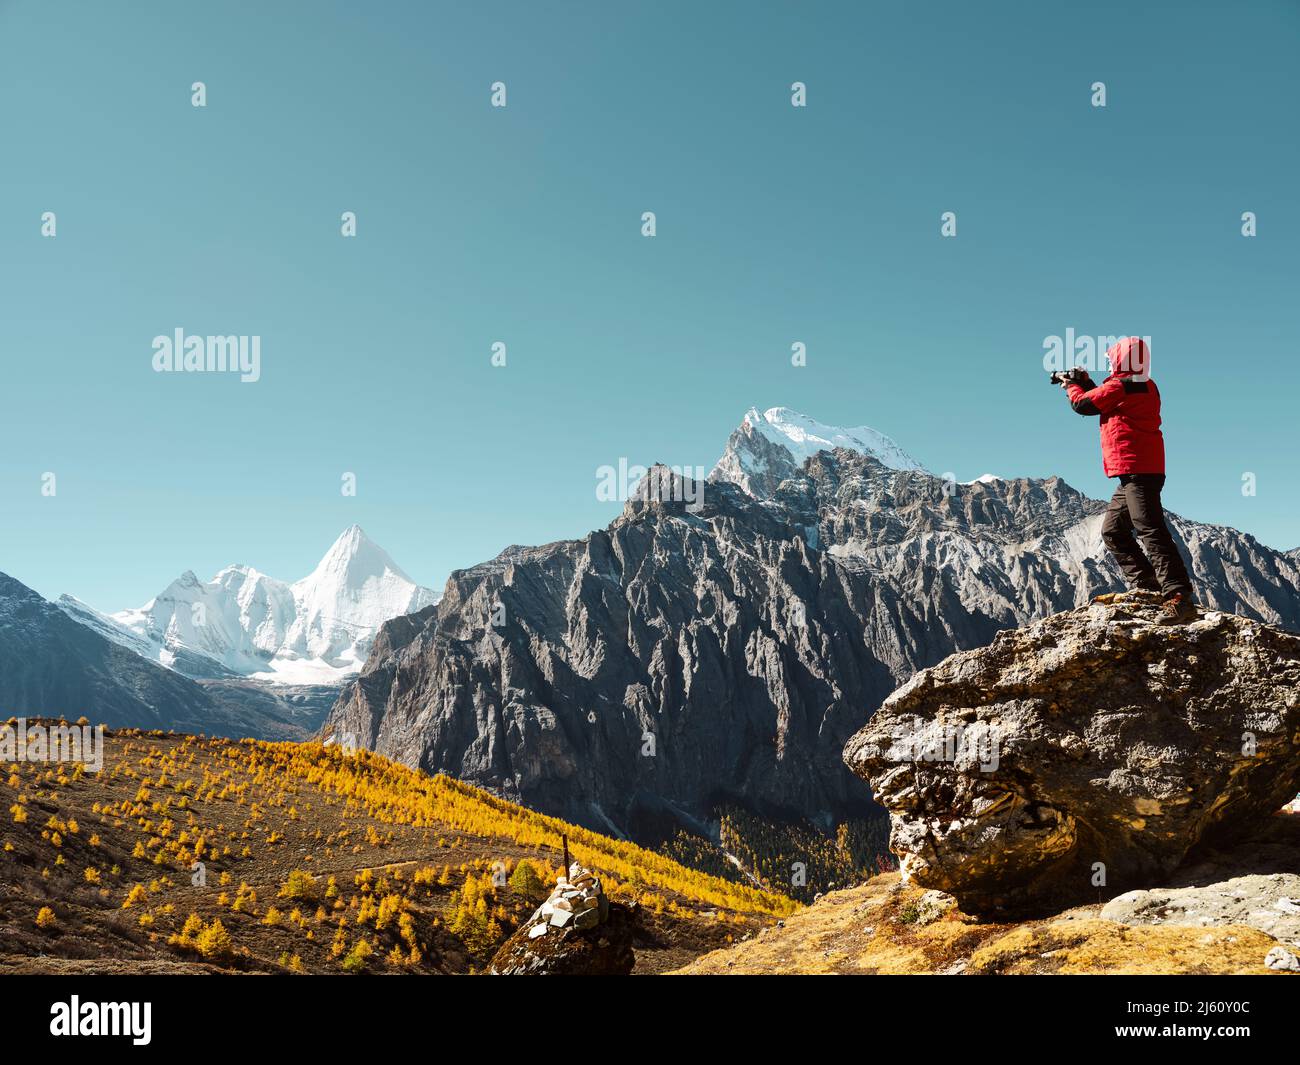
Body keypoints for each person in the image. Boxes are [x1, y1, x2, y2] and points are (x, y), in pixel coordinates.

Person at [1061, 336, 1196, 624]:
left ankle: (1178, 597)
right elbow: (1103, 398)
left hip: (1139, 472)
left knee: (1150, 530)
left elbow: (1084, 405)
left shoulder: (1124, 385)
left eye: (1113, 359)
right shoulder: (1139, 384)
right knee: (1114, 531)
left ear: (1122, 359)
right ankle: (1148, 587)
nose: (1110, 363)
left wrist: (1073, 385)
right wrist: (1085, 382)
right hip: (1136, 472)